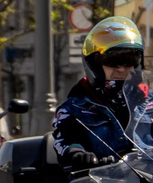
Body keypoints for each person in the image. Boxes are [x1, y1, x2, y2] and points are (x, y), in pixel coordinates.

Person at [52, 17, 147, 172]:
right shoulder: (73, 110)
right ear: (94, 63)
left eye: (129, 60)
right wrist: (78, 154)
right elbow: (66, 140)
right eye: (112, 61)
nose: (121, 69)